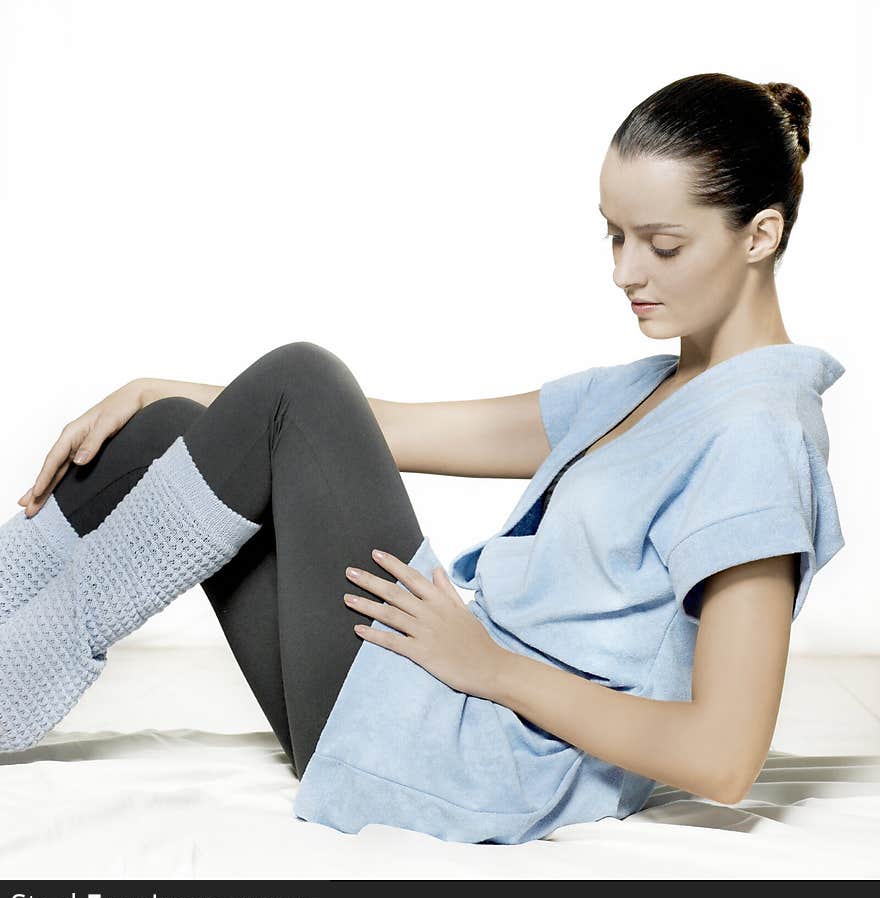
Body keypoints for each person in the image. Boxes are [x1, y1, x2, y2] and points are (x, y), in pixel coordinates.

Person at [1, 72, 845, 845]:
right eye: (613, 237)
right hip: (422, 699)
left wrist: (491, 667)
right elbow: (381, 430)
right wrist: (158, 388)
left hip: (476, 751)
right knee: (168, 430)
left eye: (661, 245)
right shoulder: (647, 389)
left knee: (302, 374)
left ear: (760, 235)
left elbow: (724, 757)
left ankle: (20, 672)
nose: (626, 272)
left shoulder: (758, 433)